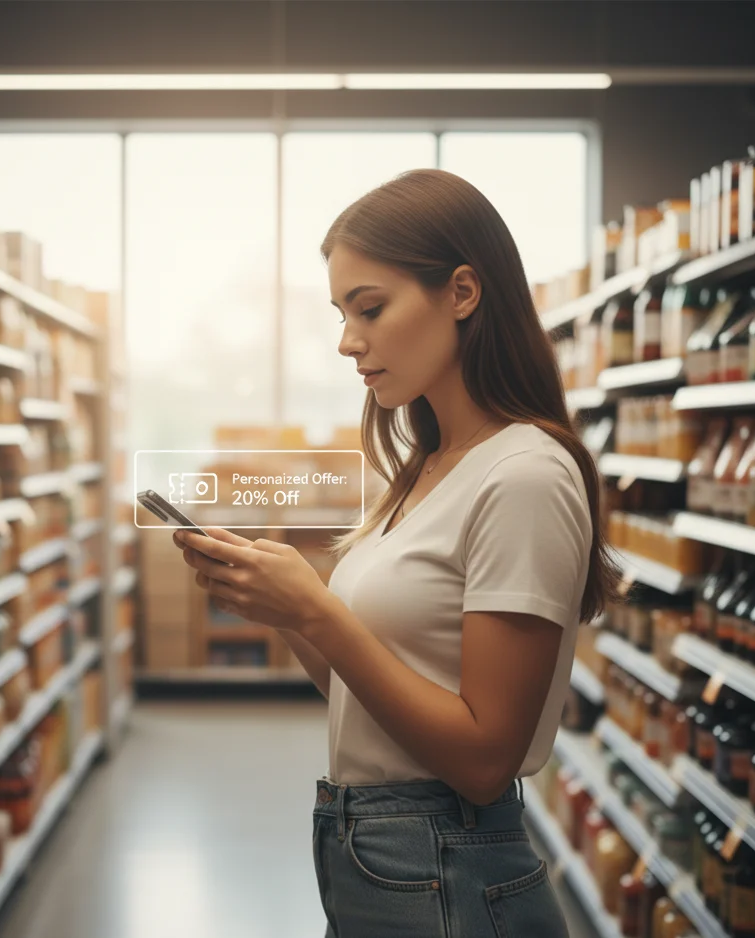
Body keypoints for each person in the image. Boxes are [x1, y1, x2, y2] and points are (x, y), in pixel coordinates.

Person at [171, 168, 618, 937]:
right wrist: (285, 612)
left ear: (463, 293)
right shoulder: (425, 471)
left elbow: (483, 759)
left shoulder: (525, 475)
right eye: (343, 314)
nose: (348, 341)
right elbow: (369, 697)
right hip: (374, 851)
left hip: (443, 862)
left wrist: (318, 608)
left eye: (370, 308)